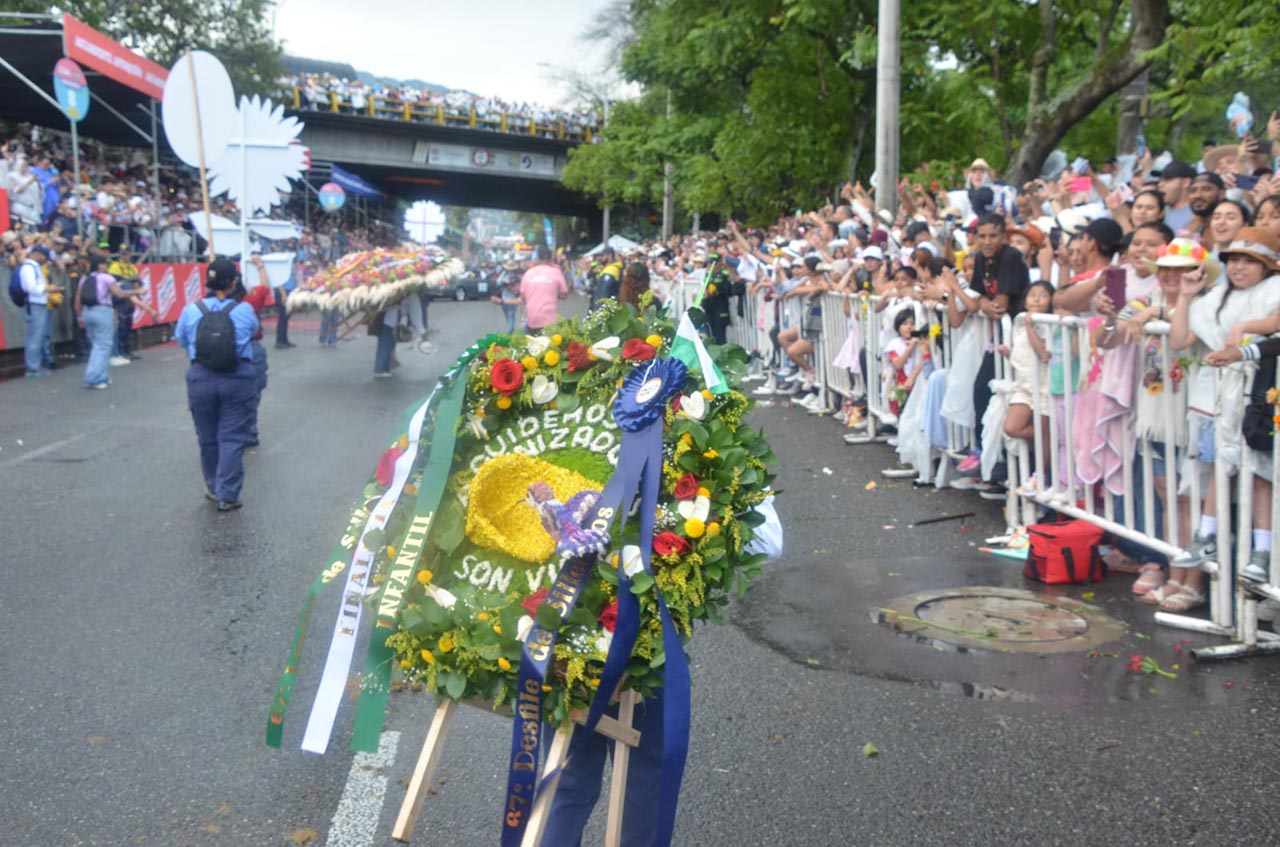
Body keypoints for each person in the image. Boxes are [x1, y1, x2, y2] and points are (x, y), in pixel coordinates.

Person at [173, 258, 260, 511]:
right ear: (234, 282)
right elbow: (254, 333)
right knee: (232, 438)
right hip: (237, 377)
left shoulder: (192, 310)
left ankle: (212, 486)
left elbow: (181, 339)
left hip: (200, 377)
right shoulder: (244, 310)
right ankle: (228, 494)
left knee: (207, 438)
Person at [76, 254, 135, 389]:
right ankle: (94, 378)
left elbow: (77, 299)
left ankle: (103, 375)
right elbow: (119, 294)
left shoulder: (84, 279)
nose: (107, 266)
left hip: (87, 311)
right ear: (100, 265)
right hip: (102, 311)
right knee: (103, 345)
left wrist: (79, 316)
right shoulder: (106, 277)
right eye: (105, 264)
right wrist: (136, 291)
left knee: (96, 345)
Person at [17, 245, 57, 378]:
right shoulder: (28, 267)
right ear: (37, 254)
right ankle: (33, 367)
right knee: (34, 337)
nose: (45, 259)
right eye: (44, 256)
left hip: (38, 303)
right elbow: (30, 288)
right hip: (34, 303)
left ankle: (35, 365)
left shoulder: (34, 267)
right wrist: (48, 289)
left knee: (37, 336)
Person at [520, 245, 568, 334]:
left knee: (534, 342)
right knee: (551, 343)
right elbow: (564, 295)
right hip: (550, 321)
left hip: (532, 320)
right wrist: (552, 292)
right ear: (551, 258)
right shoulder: (556, 272)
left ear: (538, 258)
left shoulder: (528, 273)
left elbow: (523, 297)